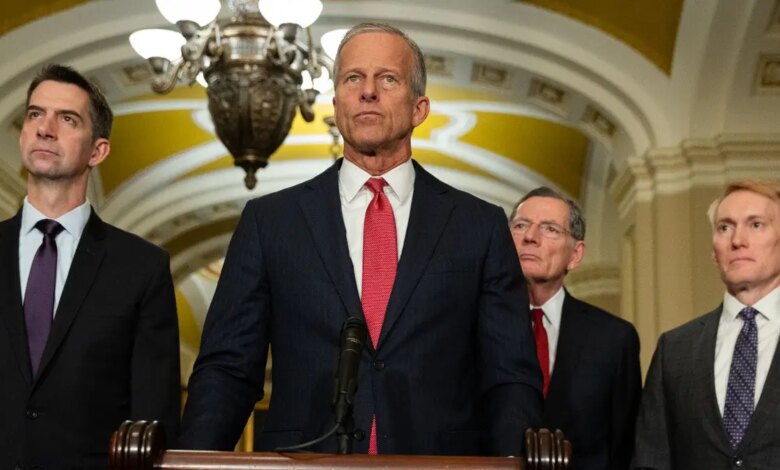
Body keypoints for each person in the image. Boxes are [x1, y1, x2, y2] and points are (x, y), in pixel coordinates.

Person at [179, 22, 542, 456]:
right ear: (336, 103)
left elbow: (509, 377)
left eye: (388, 79)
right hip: (305, 462)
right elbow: (228, 369)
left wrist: (513, 465)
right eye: (353, 78)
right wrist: (194, 460)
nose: (368, 91)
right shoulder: (270, 221)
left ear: (419, 108)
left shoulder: (479, 225)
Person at [0, 64, 181, 469]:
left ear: (98, 150)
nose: (45, 128)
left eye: (67, 119)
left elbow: (154, 417)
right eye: (34, 114)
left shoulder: (142, 267)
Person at [633, 179, 780, 469]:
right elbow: (651, 459)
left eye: (756, 225)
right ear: (714, 252)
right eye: (725, 227)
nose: (737, 240)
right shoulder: (674, 350)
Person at [510, 187, 641, 470]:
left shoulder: (614, 339)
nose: (530, 237)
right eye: (520, 225)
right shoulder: (471, 326)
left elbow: (625, 447)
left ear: (576, 255)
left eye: (550, 229)